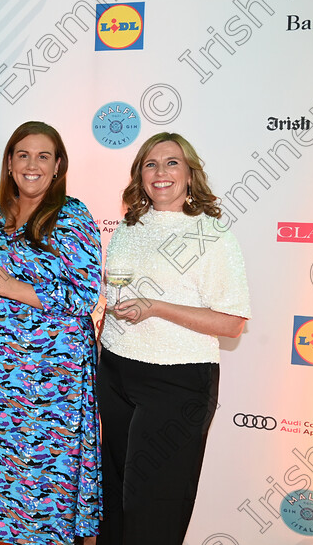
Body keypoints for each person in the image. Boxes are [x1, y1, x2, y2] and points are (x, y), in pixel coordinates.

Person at [0, 121, 102, 545]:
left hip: (49, 374)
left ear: (58, 166)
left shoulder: (73, 214)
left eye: (43, 156)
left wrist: (12, 287)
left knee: (42, 474)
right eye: (23, 155)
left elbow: (84, 294)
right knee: (2, 471)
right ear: (10, 163)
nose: (32, 164)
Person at [96, 133, 250, 544]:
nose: (160, 173)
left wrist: (157, 307)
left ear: (190, 173)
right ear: (139, 175)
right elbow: (116, 296)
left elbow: (233, 323)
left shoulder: (212, 236)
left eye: (171, 163)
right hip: (114, 369)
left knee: (154, 506)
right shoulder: (129, 227)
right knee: (113, 498)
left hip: (177, 383)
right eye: (150, 164)